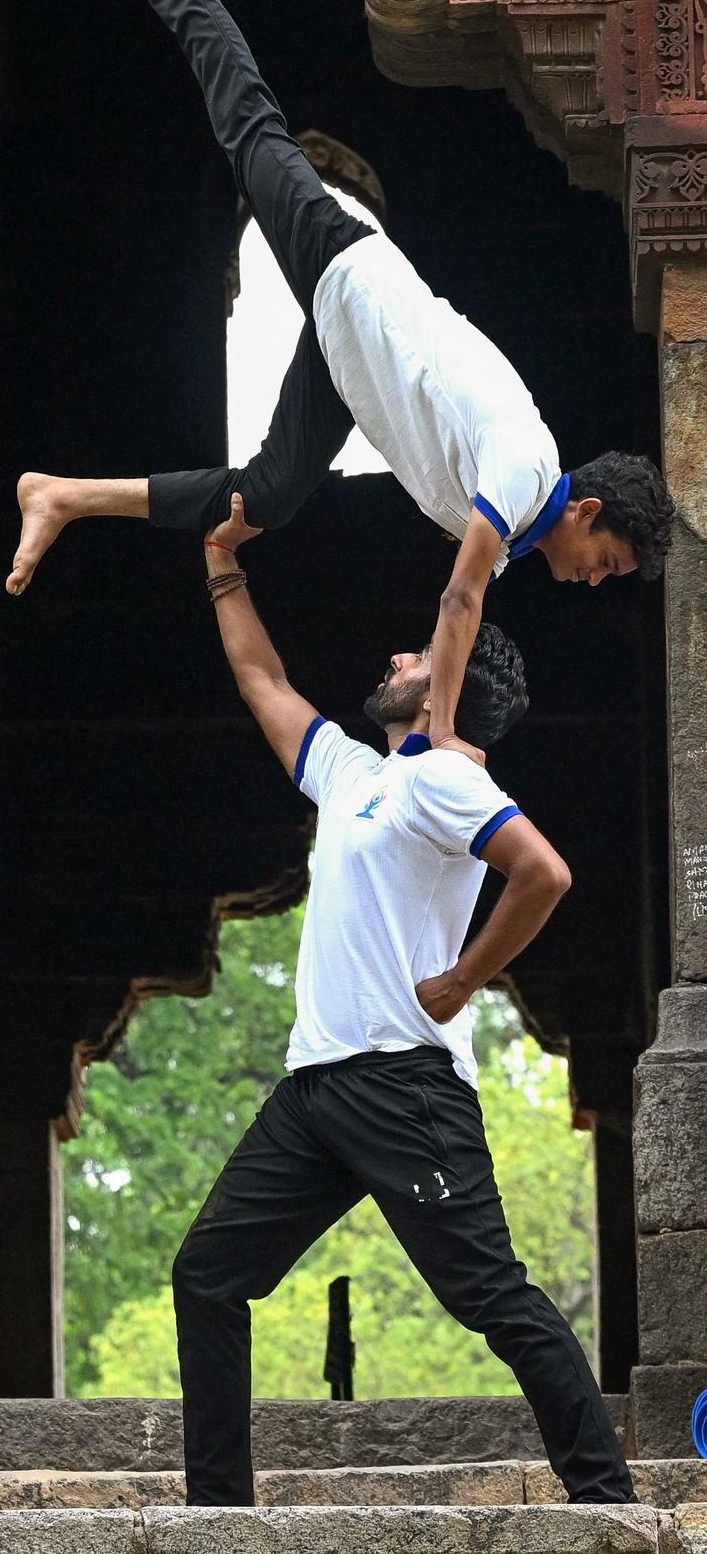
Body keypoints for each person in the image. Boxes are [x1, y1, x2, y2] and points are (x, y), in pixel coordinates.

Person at [6, 0, 674, 766]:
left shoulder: (516, 527)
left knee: (267, 494)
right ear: (587, 508)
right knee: (248, 124)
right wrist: (440, 734)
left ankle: (62, 495)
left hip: (345, 354)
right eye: (606, 561)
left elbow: (470, 588)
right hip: (348, 268)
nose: (594, 580)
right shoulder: (523, 472)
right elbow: (457, 606)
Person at [168, 494, 637, 1507]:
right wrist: (220, 563)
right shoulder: (351, 773)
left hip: (403, 1086)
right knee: (207, 1272)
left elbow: (543, 874)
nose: (397, 658)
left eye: (418, 658)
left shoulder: (447, 779)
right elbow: (260, 678)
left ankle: (606, 1500)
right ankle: (218, 1512)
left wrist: (464, 979)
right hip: (314, 1094)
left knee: (492, 1297)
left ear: (453, 690)